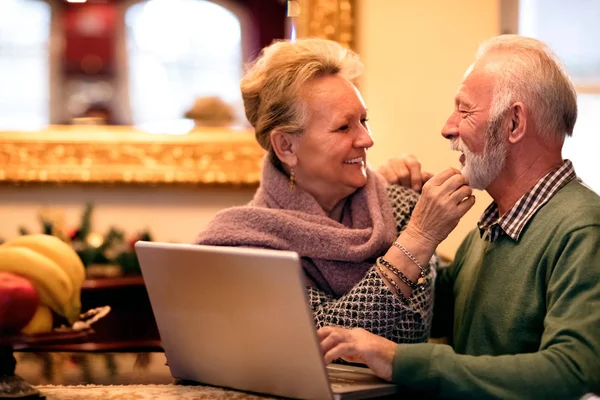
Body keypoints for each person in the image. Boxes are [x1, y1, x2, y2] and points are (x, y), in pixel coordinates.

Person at [319, 34, 600, 398]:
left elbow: (573, 371)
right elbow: (423, 312)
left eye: (464, 110)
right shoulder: (489, 231)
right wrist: (385, 207)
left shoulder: (583, 228)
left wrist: (398, 360)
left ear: (514, 123)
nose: (447, 127)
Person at [195, 38, 474, 344]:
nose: (367, 140)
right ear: (286, 146)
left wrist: (416, 232)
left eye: (364, 121)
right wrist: (417, 239)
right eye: (344, 128)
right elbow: (319, 342)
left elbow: (409, 333)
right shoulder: (246, 244)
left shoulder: (404, 207)